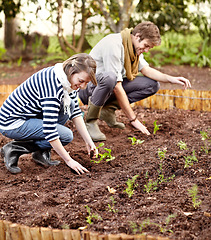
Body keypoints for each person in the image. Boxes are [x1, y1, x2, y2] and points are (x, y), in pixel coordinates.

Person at [79, 21, 191, 141]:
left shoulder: (132, 48)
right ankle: (90, 121)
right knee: (110, 78)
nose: (147, 50)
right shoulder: (113, 45)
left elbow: (146, 70)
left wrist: (171, 79)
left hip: (108, 88)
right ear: (137, 36)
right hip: (90, 88)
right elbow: (116, 86)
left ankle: (108, 109)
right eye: (146, 45)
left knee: (152, 85)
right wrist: (133, 120)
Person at [0, 53, 98, 175]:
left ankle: (40, 153)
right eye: (81, 81)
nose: (83, 87)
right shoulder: (53, 86)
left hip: (31, 115)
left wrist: (89, 142)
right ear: (71, 71)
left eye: (86, 83)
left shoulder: (66, 80)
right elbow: (50, 130)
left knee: (70, 105)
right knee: (66, 135)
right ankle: (14, 148)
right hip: (12, 122)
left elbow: (75, 112)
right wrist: (69, 160)